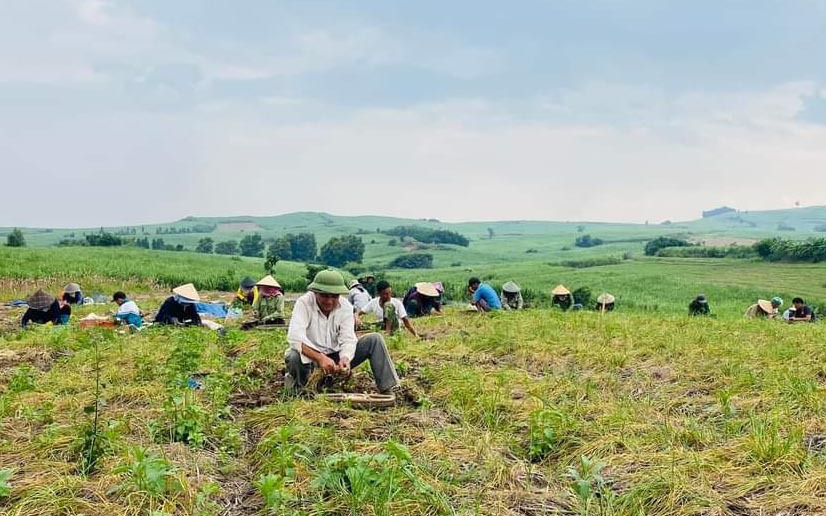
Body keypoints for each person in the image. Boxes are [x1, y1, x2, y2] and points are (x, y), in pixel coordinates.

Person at [285, 270, 401, 394]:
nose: (329, 301)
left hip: (334, 358)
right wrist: (320, 358)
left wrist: (345, 358)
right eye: (324, 295)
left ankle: (387, 388)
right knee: (293, 356)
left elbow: (348, 338)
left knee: (374, 340)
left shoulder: (345, 307)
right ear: (315, 292)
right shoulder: (304, 303)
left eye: (334, 296)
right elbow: (295, 337)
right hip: (310, 359)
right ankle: (301, 389)